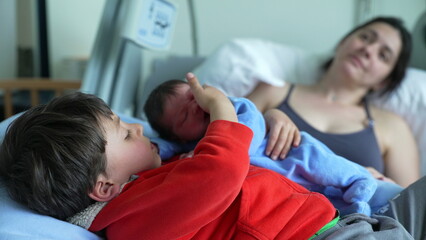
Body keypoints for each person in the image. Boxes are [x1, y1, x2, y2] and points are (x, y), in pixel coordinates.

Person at [0, 73, 417, 239]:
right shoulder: (133, 217)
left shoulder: (141, 187)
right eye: (126, 133)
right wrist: (222, 108)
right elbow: (220, 170)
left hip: (347, 223)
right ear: (103, 186)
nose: (139, 128)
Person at [144, 78, 403, 216]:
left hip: (292, 153)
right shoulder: (191, 148)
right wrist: (156, 149)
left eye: (193, 97)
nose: (194, 107)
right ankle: (356, 211)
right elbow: (161, 150)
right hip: (288, 184)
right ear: (179, 136)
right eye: (183, 117)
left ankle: (359, 184)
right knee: (323, 200)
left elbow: (250, 129)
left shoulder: (236, 109)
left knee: (326, 167)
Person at [245, 17, 419, 187]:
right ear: (342, 42)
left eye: (383, 55)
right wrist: (264, 120)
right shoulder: (273, 92)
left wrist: (386, 186)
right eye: (365, 37)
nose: (368, 49)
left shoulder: (393, 127)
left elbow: (410, 206)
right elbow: (226, 134)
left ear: (385, 81)